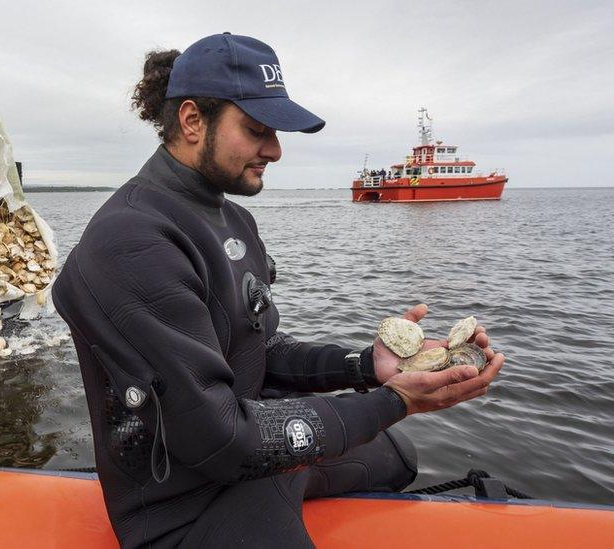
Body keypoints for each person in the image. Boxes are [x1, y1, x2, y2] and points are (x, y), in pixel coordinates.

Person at [52, 33, 504, 549]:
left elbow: (261, 352)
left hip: (251, 462)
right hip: (185, 511)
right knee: (383, 427)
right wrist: (396, 400)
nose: (276, 150)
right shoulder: (132, 240)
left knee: (399, 454)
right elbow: (220, 438)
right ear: (193, 121)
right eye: (257, 130)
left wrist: (366, 367)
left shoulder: (234, 219)